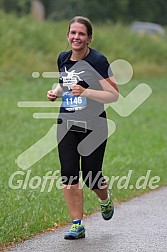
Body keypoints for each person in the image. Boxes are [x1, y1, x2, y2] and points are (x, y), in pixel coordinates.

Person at [47, 16, 119, 240]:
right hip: (67, 123)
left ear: (89, 38)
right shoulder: (63, 58)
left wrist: (87, 92)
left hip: (94, 126)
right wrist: (55, 92)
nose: (76, 37)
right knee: (68, 174)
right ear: (68, 35)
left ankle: (104, 199)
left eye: (81, 34)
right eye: (73, 33)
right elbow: (64, 83)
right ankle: (77, 224)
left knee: (91, 176)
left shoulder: (98, 60)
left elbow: (113, 95)